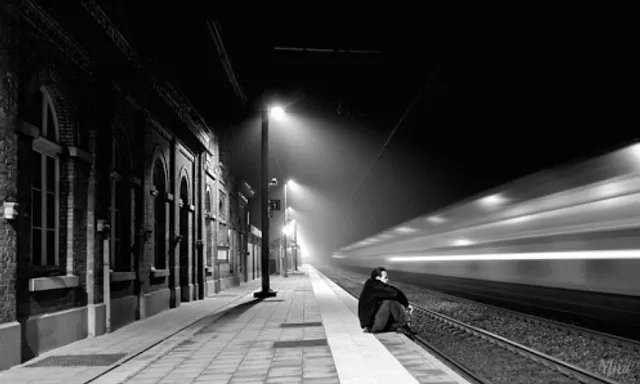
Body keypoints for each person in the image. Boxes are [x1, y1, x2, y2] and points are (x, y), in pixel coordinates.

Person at [358, 267, 416, 339]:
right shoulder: (376, 287)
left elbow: (392, 290)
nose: (388, 279)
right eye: (385, 277)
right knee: (390, 301)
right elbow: (396, 293)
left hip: (371, 324)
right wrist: (406, 305)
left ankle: (400, 325)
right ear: (378, 278)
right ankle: (403, 325)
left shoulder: (372, 284)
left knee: (389, 298)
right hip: (373, 326)